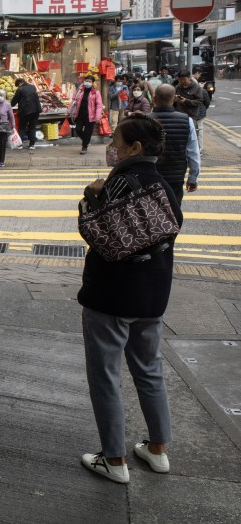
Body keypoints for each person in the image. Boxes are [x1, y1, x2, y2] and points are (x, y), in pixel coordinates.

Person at [77, 115, 183, 484]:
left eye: (117, 141)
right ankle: (157, 451)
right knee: (149, 371)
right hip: (153, 296)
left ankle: (114, 459)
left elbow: (99, 235)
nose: (112, 147)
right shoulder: (165, 187)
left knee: (105, 376)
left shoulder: (118, 182)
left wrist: (91, 197)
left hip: (110, 296)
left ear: (134, 148)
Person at [150, 84, 200, 203]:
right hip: (176, 176)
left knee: (152, 212)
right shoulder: (186, 120)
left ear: (154, 98)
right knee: (174, 210)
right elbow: (193, 152)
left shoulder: (145, 119)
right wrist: (193, 178)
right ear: (174, 99)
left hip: (151, 176)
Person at [173, 71, 209, 152]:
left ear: (189, 78)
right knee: (180, 134)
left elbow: (199, 101)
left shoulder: (196, 88)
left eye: (184, 79)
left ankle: (194, 151)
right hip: (180, 114)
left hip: (192, 115)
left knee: (192, 135)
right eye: (180, 80)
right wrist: (175, 99)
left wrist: (186, 101)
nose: (182, 82)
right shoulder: (178, 87)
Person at [69, 76, 104, 154]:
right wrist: (69, 111)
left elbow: (99, 105)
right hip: (80, 114)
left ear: (92, 83)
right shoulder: (79, 91)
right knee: (77, 129)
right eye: (86, 81)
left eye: (89, 81)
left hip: (90, 116)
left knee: (88, 132)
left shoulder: (95, 92)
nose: (87, 83)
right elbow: (73, 101)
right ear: (84, 82)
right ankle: (86, 140)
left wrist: (98, 116)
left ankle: (84, 147)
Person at [11, 78, 41, 149]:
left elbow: (14, 101)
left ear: (19, 83)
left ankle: (20, 144)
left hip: (25, 111)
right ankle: (32, 145)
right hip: (35, 110)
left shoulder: (20, 89)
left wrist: (10, 105)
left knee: (22, 127)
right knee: (32, 127)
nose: (18, 87)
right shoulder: (33, 87)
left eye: (17, 85)